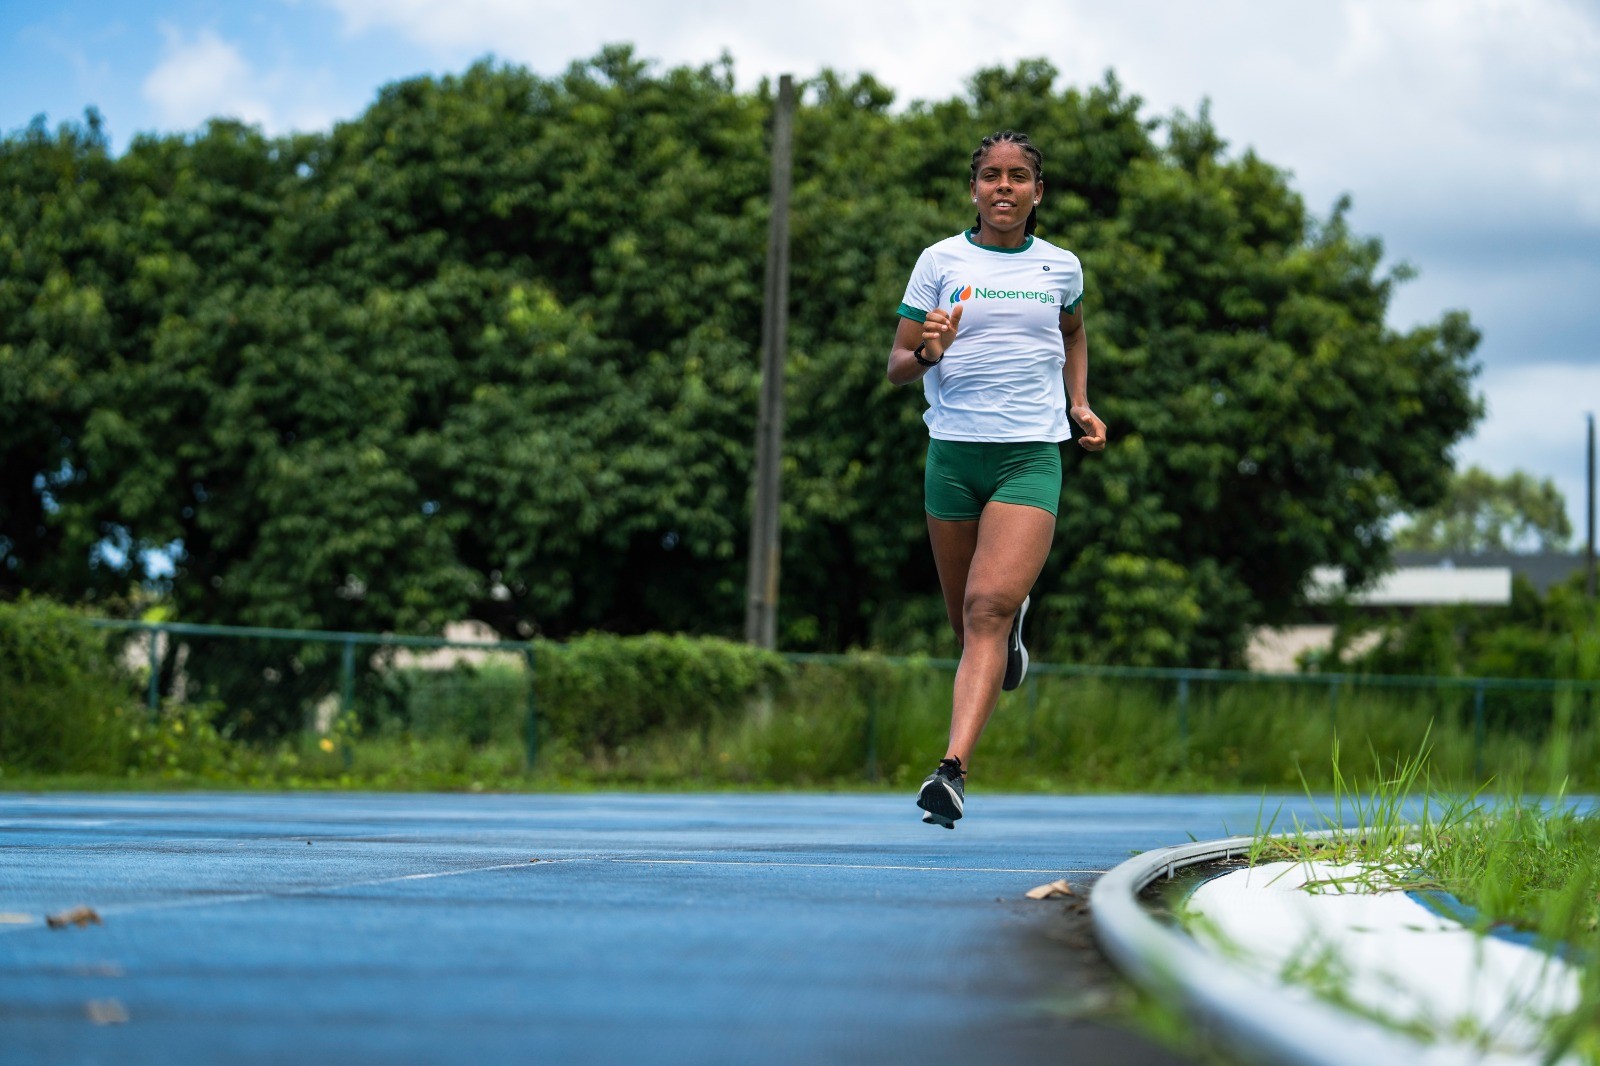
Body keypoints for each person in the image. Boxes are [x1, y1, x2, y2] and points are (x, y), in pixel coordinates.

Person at [886, 130, 1107, 829]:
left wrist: (1078, 403)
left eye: (1017, 177)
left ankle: (951, 771)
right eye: (990, 176)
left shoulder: (1061, 267)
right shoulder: (940, 262)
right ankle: (1009, 636)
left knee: (985, 607)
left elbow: (1073, 331)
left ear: (1037, 192)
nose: (1003, 187)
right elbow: (897, 365)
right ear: (973, 188)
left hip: (1027, 456)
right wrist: (929, 348)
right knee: (966, 625)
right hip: (952, 456)